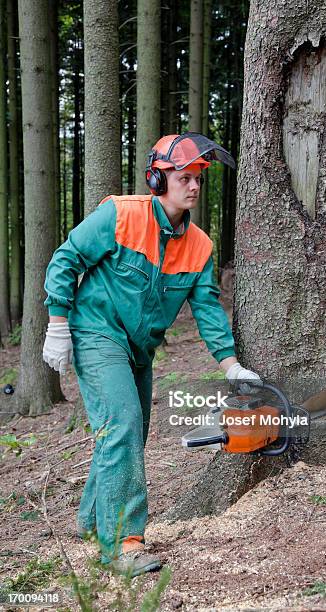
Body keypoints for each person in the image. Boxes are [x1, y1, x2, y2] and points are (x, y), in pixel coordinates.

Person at [42, 132, 260, 576]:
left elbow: (207, 307)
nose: (194, 186)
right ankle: (123, 542)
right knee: (121, 424)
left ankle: (90, 521)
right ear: (157, 179)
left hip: (139, 350)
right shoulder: (121, 215)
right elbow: (67, 259)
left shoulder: (199, 245)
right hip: (95, 332)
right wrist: (57, 323)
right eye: (183, 177)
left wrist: (231, 365)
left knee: (129, 434)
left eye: (198, 178)